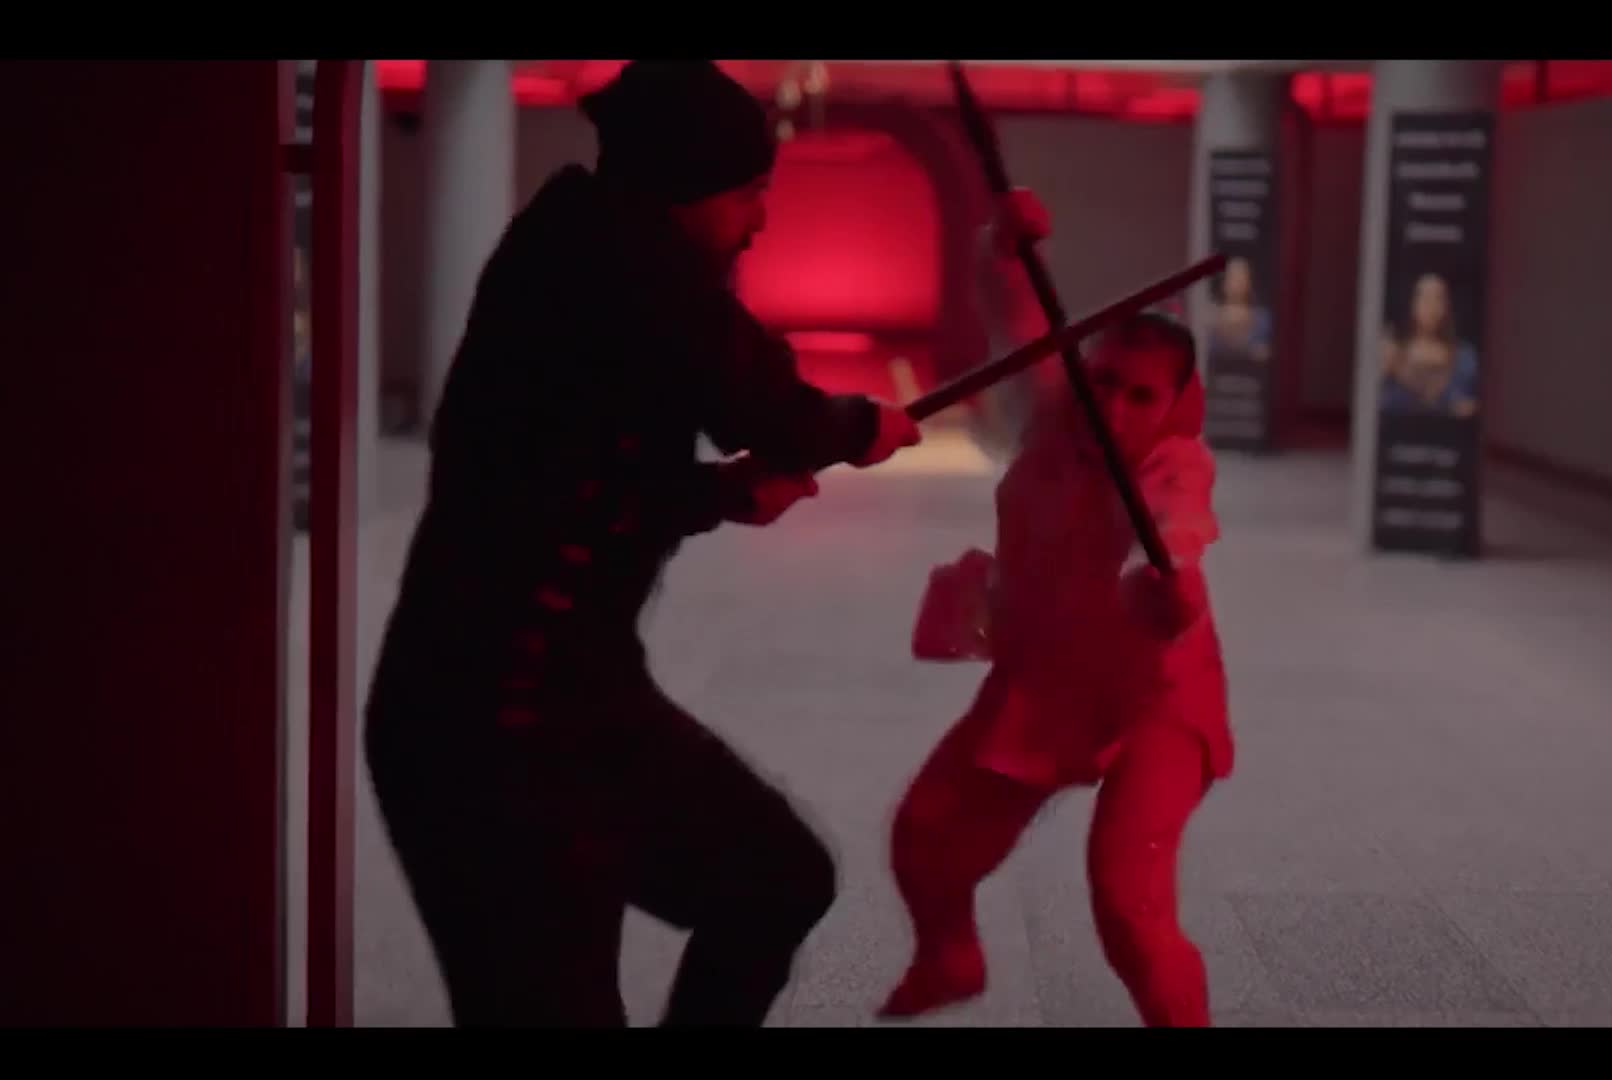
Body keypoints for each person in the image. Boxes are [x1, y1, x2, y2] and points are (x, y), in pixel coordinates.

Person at [363, 61, 921, 1028]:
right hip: (491, 731)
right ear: (681, 185)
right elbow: (767, 407)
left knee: (774, 876)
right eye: (748, 193)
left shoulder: (580, 246)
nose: (760, 220)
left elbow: (562, 472)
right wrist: (857, 426)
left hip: (562, 703)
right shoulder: (626, 262)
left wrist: (716, 494)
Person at [881, 191, 1232, 1027]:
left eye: (1140, 397)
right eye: (1101, 381)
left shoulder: (1176, 464)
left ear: (1173, 407)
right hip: (1046, 680)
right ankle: (949, 956)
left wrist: (1165, 588)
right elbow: (1018, 324)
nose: (1111, 409)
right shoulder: (1050, 413)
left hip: (1155, 696)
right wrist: (1002, 253)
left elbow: (1174, 527)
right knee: (925, 834)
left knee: (1130, 908)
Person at [1379, 271, 1480, 417]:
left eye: (1438, 299)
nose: (1431, 307)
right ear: (1412, 305)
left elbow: (1471, 405)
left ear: (1447, 307)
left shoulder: (1465, 357)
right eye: (1425, 298)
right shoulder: (1392, 353)